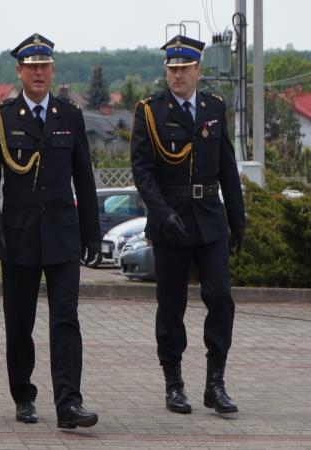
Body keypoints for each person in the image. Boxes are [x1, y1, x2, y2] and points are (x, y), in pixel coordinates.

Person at [0, 33, 101, 429]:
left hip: (62, 236)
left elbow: (84, 178)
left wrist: (92, 234)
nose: (39, 73)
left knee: (66, 319)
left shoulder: (70, 115)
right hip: (19, 236)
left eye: (45, 66)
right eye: (32, 67)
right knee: (20, 323)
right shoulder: (3, 117)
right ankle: (23, 395)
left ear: (53, 70)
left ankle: (69, 404)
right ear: (19, 71)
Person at [130, 35, 245, 415]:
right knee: (171, 305)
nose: (177, 76)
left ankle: (216, 383)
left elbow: (227, 167)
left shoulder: (214, 107)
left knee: (221, 298)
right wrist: (163, 214)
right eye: (172, 69)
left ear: (198, 70)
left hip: (209, 218)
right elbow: (143, 172)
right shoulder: (150, 111)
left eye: (184, 69)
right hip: (171, 220)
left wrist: (238, 219)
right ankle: (174, 383)